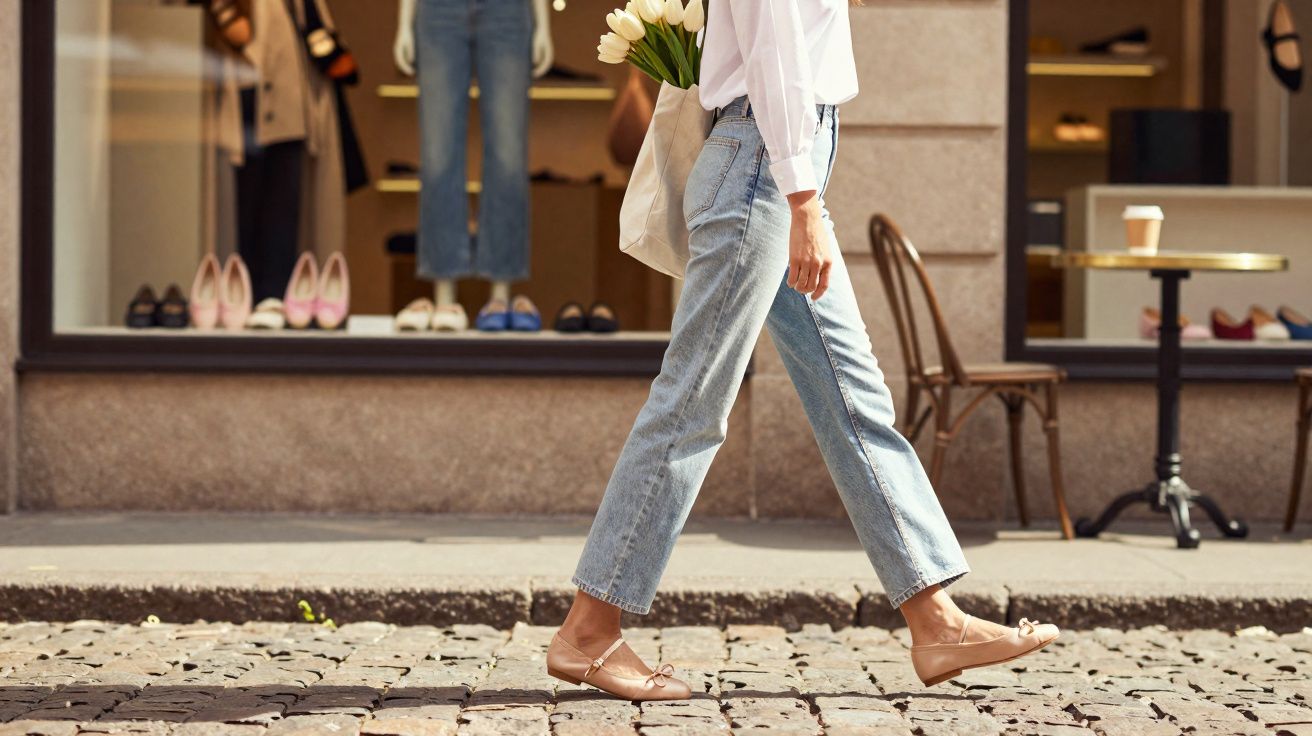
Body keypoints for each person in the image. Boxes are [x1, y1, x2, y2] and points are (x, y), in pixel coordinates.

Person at [546, 0, 1061, 699]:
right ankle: (587, 632)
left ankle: (935, 620)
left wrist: (800, 191)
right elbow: (776, 52)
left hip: (778, 166)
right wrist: (804, 203)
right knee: (692, 400)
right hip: (765, 169)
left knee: (854, 398)